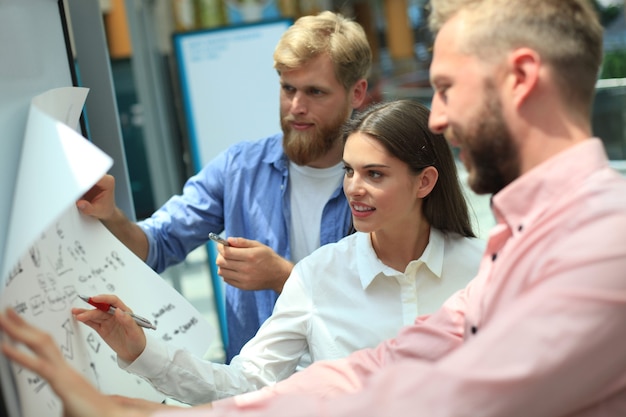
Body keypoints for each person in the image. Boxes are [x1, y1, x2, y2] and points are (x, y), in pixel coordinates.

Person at [3, 0, 626, 416]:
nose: (435, 116)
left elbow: (430, 398)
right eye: (287, 89)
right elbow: (367, 372)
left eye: (444, 88)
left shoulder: (600, 245)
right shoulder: (518, 242)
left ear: (519, 79)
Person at [65, 99, 484, 405]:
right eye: (350, 171)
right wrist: (141, 350)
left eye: (374, 174)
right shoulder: (318, 276)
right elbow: (245, 383)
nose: (354, 188)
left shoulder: (485, 269)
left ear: (424, 182)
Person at [77, 11, 372, 361]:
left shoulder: (380, 177)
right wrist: (110, 214)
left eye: (315, 92)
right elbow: (155, 245)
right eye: (287, 88)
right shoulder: (240, 169)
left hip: (350, 383)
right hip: (258, 392)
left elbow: (390, 300)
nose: (296, 107)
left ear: (357, 93)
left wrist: (283, 277)